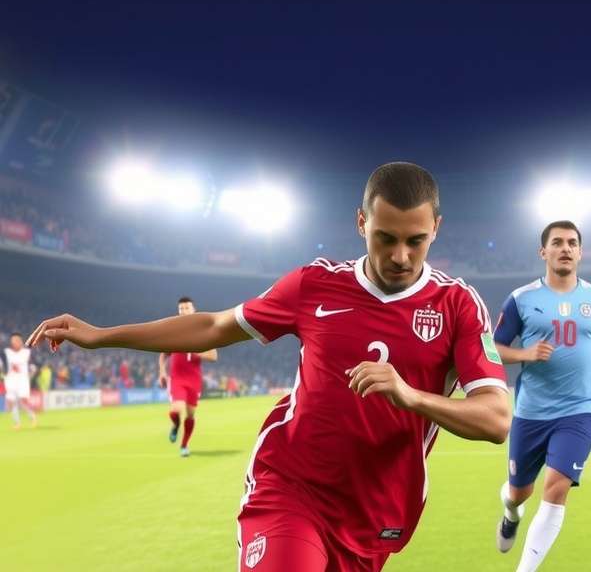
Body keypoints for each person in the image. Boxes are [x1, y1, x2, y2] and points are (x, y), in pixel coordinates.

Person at [27, 162, 511, 572]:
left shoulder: (458, 306)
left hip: (377, 511)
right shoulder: (314, 285)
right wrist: (102, 337)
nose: (400, 256)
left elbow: (495, 419)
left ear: (436, 230)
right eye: (385, 237)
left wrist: (411, 397)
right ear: (361, 223)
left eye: (416, 240)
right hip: (291, 485)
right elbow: (215, 327)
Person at [493, 220, 591, 572]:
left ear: (580, 252)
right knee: (520, 491)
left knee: (556, 487)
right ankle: (510, 511)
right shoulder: (522, 300)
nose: (565, 248)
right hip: (531, 413)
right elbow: (493, 349)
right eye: (557, 242)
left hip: (579, 412)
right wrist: (525, 354)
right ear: (544, 251)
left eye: (572, 243)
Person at [158, 296, 218, 457]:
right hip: (177, 378)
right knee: (176, 411)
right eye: (181, 309)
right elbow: (164, 355)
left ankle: (184, 445)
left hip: (194, 380)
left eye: (187, 308)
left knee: (190, 414)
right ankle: (175, 426)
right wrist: (162, 372)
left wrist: (195, 349)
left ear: (193, 310)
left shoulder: (202, 333)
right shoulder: (173, 332)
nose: (184, 311)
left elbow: (213, 356)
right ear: (178, 312)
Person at [3, 332, 37, 429]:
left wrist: (30, 376)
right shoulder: (6, 352)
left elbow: (34, 367)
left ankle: (32, 417)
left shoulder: (27, 353)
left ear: (21, 341)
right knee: (11, 402)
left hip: (22, 381)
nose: (15, 342)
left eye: (17, 340)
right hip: (10, 381)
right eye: (13, 340)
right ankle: (17, 423)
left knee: (23, 402)